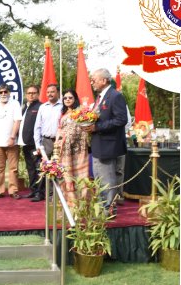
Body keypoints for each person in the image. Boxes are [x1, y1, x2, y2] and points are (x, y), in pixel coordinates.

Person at [86, 68, 129, 210]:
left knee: (107, 181)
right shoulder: (100, 97)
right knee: (99, 180)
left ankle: (109, 210)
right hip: (98, 146)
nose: (92, 82)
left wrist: (97, 127)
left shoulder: (115, 96)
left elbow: (121, 120)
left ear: (104, 80)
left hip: (108, 146)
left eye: (94, 79)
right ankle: (103, 209)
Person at [52, 88, 91, 210]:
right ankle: (70, 204)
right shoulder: (63, 114)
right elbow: (59, 130)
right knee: (67, 176)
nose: (67, 100)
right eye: (65, 98)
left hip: (79, 150)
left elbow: (82, 130)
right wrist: (58, 142)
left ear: (75, 99)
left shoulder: (81, 113)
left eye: (70, 98)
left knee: (80, 176)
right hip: (65, 151)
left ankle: (82, 206)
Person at [0, 84, 22, 199]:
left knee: (13, 168)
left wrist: (12, 137)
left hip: (12, 142)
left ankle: (13, 190)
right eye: (1, 92)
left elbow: (17, 121)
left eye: (5, 92)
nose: (3, 94)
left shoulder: (15, 104)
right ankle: (0, 191)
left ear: (9, 93)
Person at [34, 82, 64, 179]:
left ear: (58, 93)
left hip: (59, 142)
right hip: (45, 142)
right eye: (48, 92)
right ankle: (41, 193)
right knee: (44, 168)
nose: (50, 94)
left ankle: (56, 193)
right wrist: (38, 145)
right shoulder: (42, 107)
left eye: (52, 92)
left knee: (59, 168)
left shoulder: (63, 106)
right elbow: (37, 127)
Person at [19, 85, 42, 199]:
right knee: (31, 169)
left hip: (35, 144)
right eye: (29, 93)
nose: (31, 95)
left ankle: (39, 192)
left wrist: (39, 143)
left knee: (38, 169)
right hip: (26, 143)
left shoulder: (40, 107)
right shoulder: (25, 107)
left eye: (33, 93)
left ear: (38, 94)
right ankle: (33, 190)